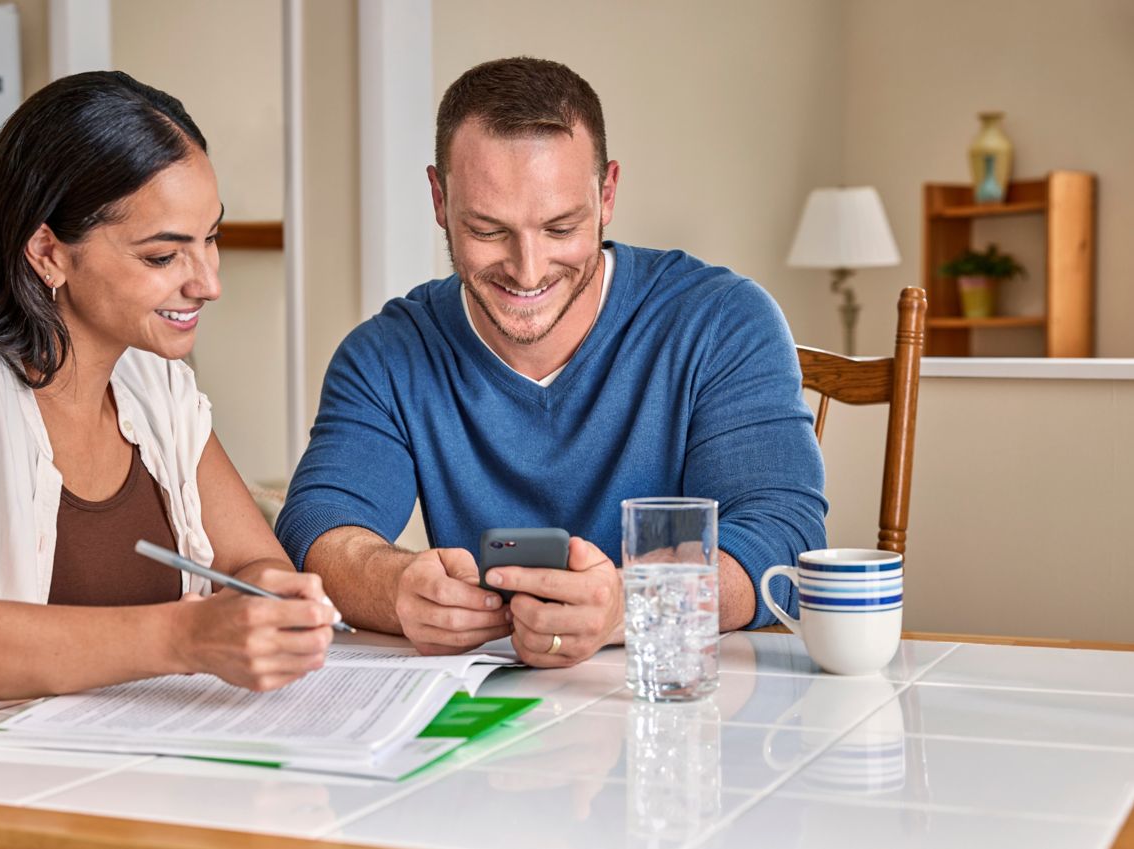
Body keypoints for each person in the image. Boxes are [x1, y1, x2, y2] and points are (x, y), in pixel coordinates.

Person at [0, 71, 336, 739]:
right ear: (48, 251)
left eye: (211, 237)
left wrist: (273, 600)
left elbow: (252, 562)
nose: (208, 281)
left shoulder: (157, 384)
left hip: (109, 771)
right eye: (163, 254)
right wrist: (183, 636)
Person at [274, 57, 826, 668]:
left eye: (561, 227)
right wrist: (397, 589)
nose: (527, 269)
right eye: (487, 230)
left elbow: (785, 538)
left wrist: (631, 603)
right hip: (481, 720)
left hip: (680, 707)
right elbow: (318, 527)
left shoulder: (721, 321)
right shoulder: (385, 354)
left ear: (607, 193)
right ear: (439, 199)